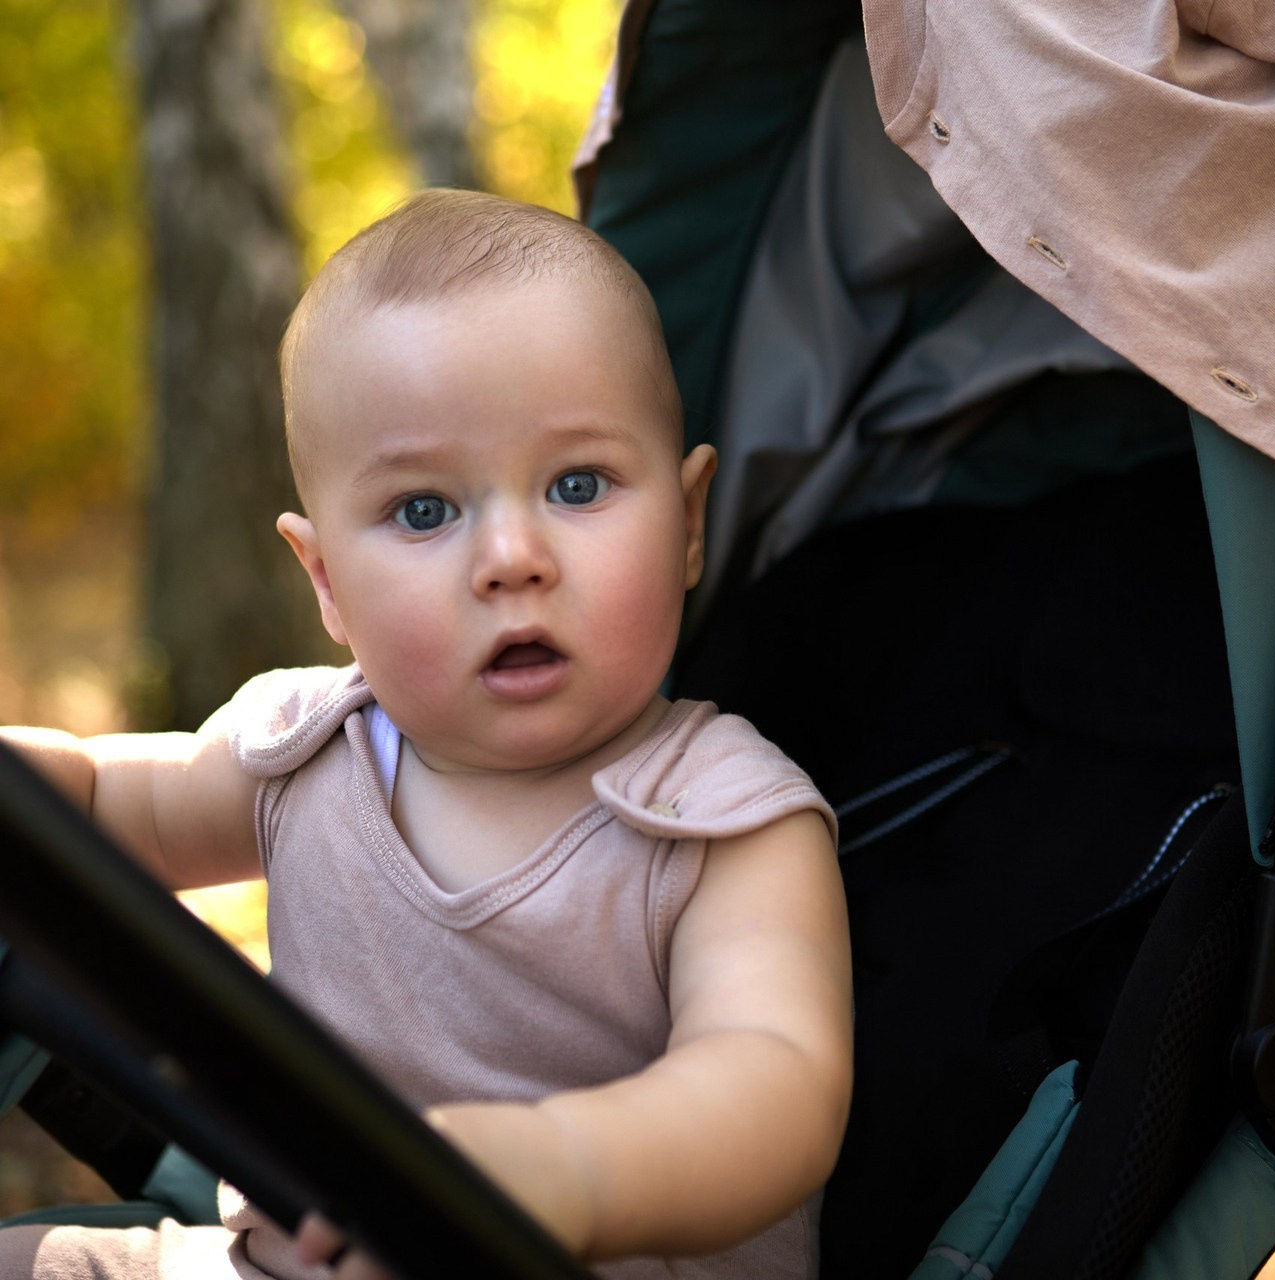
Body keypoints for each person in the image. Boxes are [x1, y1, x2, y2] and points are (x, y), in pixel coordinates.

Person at [0, 188, 852, 1279]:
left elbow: (775, 1085)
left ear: (686, 523)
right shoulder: (304, 749)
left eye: (576, 485)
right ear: (328, 583)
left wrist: (563, 1167)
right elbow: (85, 802)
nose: (510, 555)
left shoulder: (724, 822)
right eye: (423, 511)